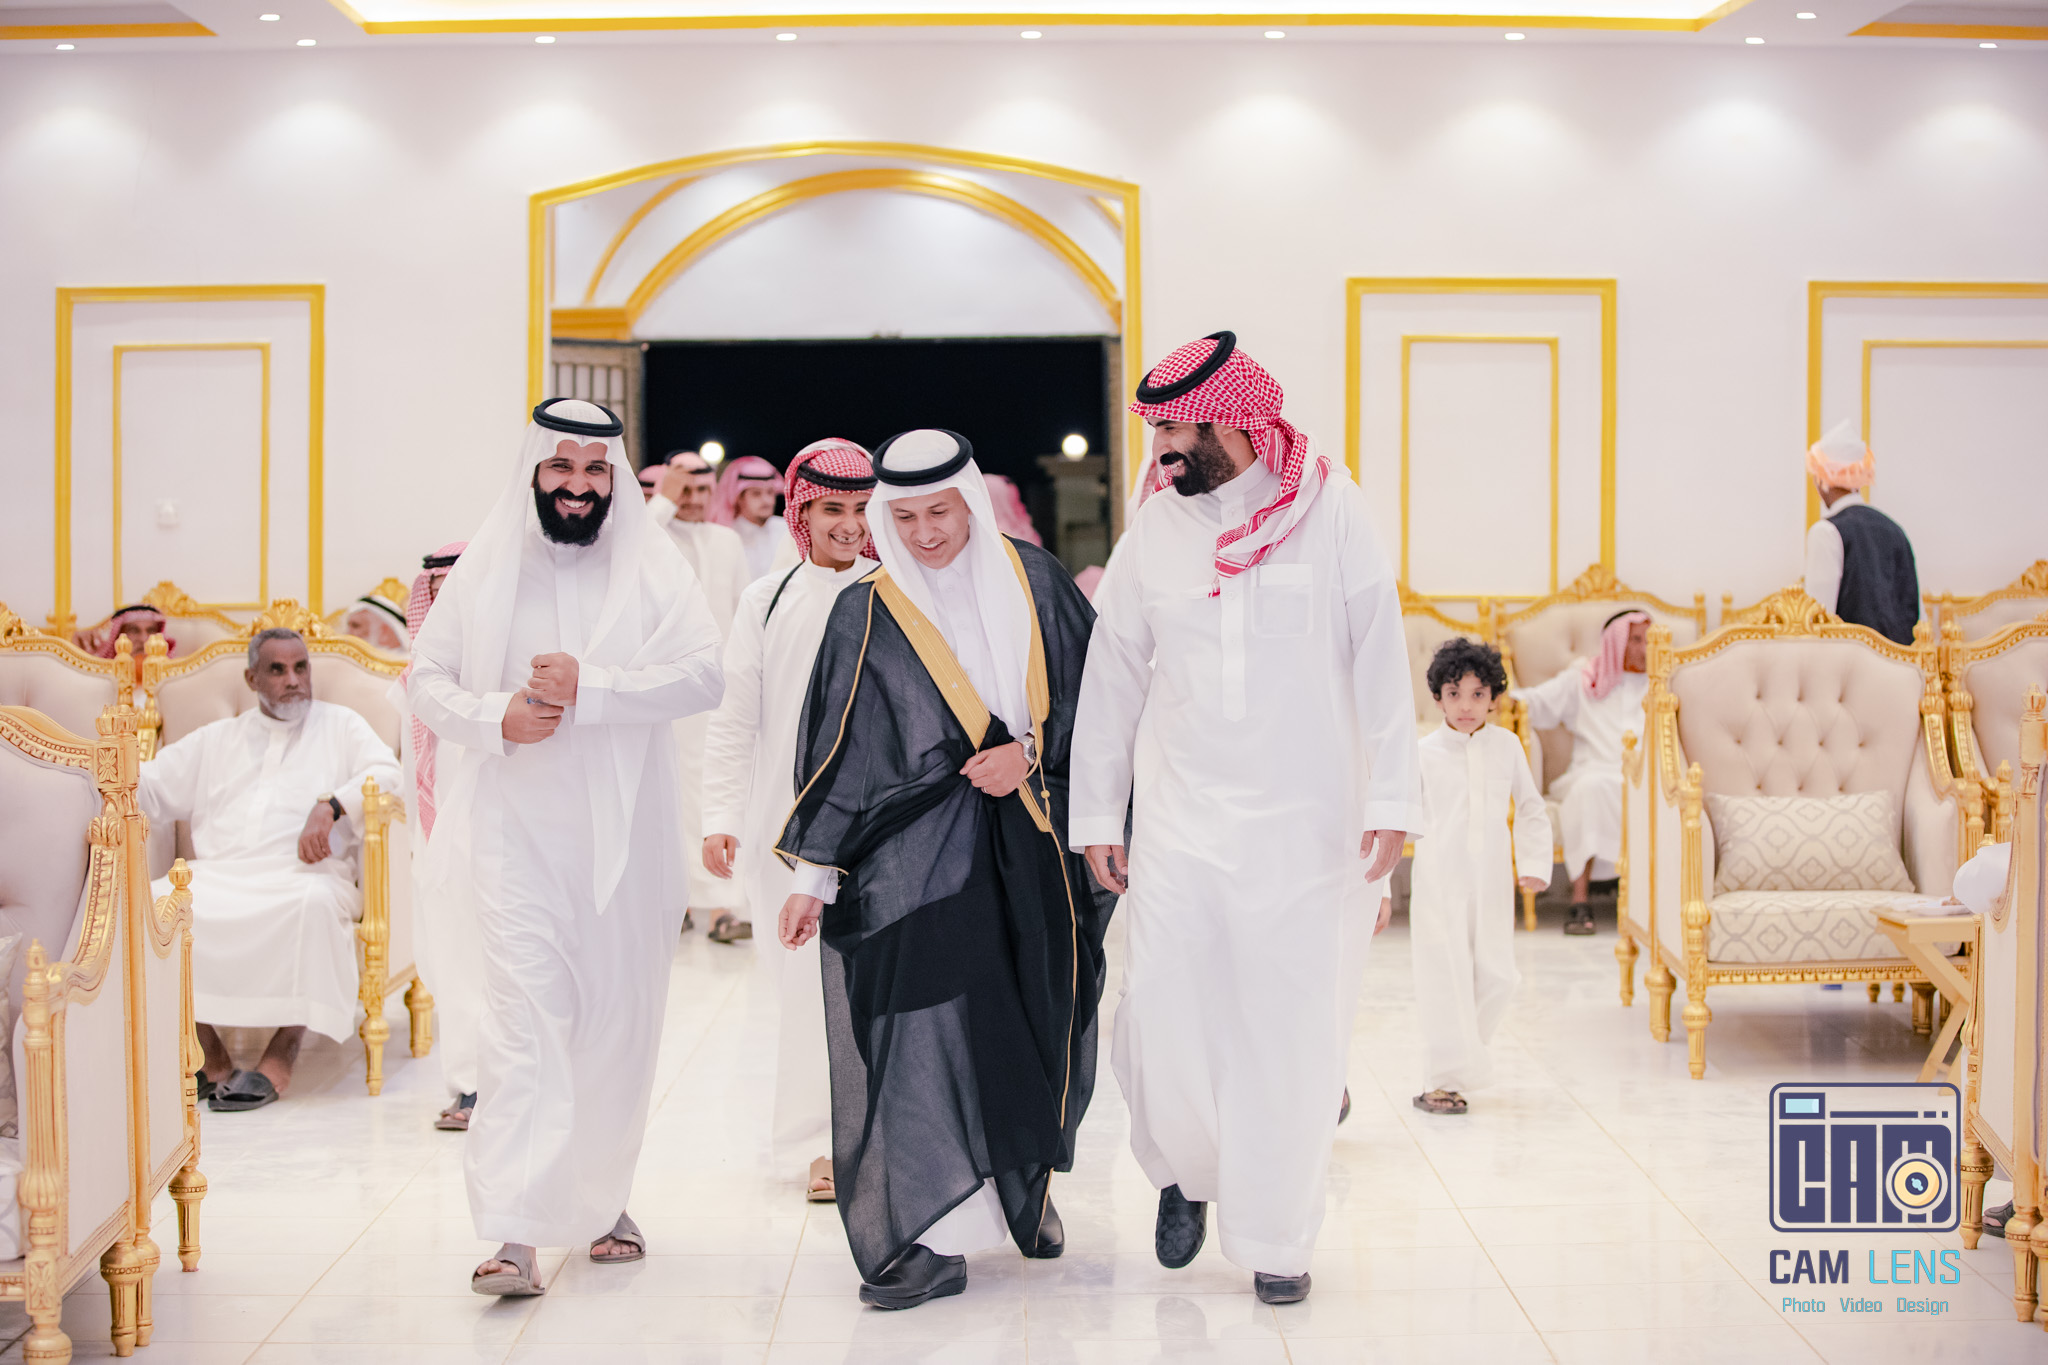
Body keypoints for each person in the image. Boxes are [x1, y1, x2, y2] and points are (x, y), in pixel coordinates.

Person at [1070, 331, 1422, 1306]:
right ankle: (1185, 1173)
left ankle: (1276, 1237)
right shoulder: (1155, 531)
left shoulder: (1332, 510)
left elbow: (1379, 655)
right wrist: (1098, 811)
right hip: (1180, 819)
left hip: (1306, 826)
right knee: (1162, 1015)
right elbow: (1113, 675)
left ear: (1232, 423)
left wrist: (1392, 799)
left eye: (1174, 433)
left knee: (1289, 1030)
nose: (1159, 452)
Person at [774, 428, 1114, 1310]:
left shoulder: (1035, 580)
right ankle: (933, 1233)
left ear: (971, 502)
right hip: (911, 862)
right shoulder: (865, 607)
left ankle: (1021, 1186)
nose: (925, 533)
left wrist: (1028, 757)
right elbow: (839, 751)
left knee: (1032, 1016)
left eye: (940, 512)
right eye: (906, 517)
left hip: (1032, 843)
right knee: (921, 1024)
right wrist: (811, 878)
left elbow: (1102, 708)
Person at [407, 398, 725, 1296]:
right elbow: (425, 678)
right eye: (561, 467)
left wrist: (596, 687)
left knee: (616, 1026)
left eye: (594, 469)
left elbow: (705, 675)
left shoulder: (654, 566)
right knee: (524, 1026)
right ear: (536, 472)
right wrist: (494, 717)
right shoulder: (487, 569)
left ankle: (600, 1200)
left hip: (628, 839)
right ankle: (515, 1230)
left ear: (613, 478)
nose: (577, 486)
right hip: (516, 835)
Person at [700, 438, 876, 1205]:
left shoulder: (895, 591)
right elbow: (734, 717)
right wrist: (720, 813)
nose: (849, 524)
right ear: (801, 510)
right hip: (782, 827)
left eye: (862, 509)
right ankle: (822, 1142)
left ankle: (872, 1131)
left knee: (868, 984)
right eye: (832, 508)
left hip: (878, 824)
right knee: (803, 990)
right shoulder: (766, 600)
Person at [140, 627, 401, 1113]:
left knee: (313, 907)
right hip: (219, 874)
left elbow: (388, 775)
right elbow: (149, 785)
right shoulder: (218, 738)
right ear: (252, 678)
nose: (293, 680)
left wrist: (332, 804)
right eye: (277, 670)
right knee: (155, 903)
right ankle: (210, 1056)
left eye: (301, 668)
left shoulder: (341, 726)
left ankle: (283, 1050)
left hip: (309, 877)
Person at [1410, 638, 1552, 1116]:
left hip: (1491, 878)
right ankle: (1442, 1082)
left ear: (1494, 698)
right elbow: (1397, 815)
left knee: (1499, 976)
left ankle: (1463, 1060)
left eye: (1477, 694)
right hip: (1438, 880)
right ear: (1437, 698)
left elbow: (1530, 808)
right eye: (1454, 694)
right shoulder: (1422, 753)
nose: (1466, 706)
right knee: (1444, 975)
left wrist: (1534, 865)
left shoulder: (1507, 746)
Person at [391, 542, 481, 1131]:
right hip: (434, 844)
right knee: (451, 963)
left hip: (495, 841)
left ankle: (511, 1086)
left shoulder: (499, 675)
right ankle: (470, 1086)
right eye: (437, 595)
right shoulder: (413, 680)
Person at [649, 449, 751, 939]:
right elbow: (624, 554)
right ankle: (679, 900)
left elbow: (744, 610)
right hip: (669, 690)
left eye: (702, 489)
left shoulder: (726, 540)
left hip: (724, 689)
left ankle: (727, 905)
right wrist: (663, 503)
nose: (693, 499)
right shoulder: (652, 536)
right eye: (684, 489)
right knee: (673, 796)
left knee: (724, 790)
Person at [1510, 608, 1649, 935]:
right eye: (1637, 640)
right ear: (1616, 642)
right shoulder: (1584, 678)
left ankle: (1648, 903)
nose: (1646, 648)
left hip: (1645, 777)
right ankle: (1580, 900)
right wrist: (1496, 697)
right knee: (1592, 789)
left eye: (1649, 639)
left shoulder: (1662, 684)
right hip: (1593, 772)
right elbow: (1534, 703)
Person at [1802, 419, 1921, 645]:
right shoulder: (1896, 531)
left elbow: (1817, 625)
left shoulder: (1826, 532)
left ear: (1821, 479)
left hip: (1850, 665)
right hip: (1901, 664)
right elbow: (1915, 616)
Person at [710, 454, 798, 581]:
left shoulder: (788, 530)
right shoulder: (725, 535)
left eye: (770, 492)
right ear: (738, 497)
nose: (766, 500)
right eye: (756, 494)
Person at [78, 603, 172, 681]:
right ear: (118, 635)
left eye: (151, 630)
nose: (143, 639)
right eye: (134, 631)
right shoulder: (101, 679)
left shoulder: (172, 679)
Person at [343, 594, 410, 654]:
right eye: (349, 625)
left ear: (384, 632)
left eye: (356, 626)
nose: (347, 633)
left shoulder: (407, 662)